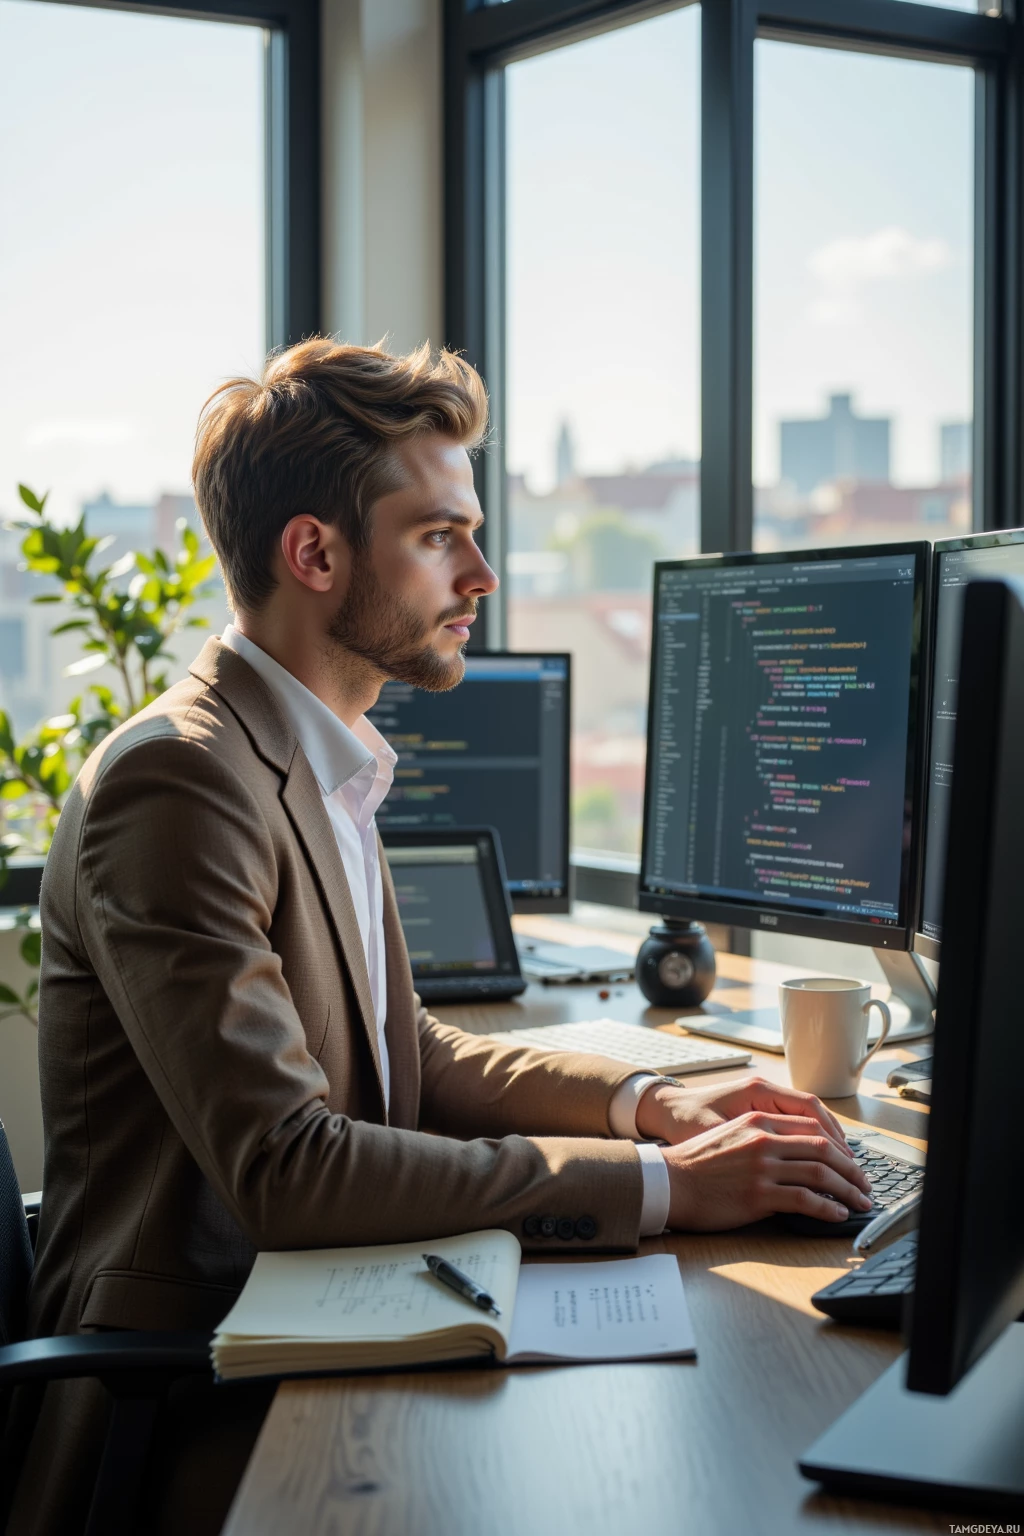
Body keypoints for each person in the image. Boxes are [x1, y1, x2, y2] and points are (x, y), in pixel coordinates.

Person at [6, 338, 871, 1534]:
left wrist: (646, 1109)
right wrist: (668, 1189)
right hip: (190, 1389)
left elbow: (400, 1050)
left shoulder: (310, 759)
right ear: (314, 553)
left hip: (311, 1315)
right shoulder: (182, 781)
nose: (482, 574)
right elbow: (291, 1169)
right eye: (439, 535)